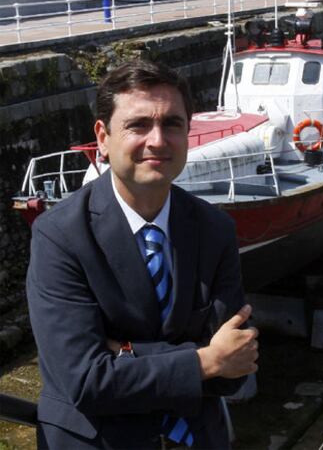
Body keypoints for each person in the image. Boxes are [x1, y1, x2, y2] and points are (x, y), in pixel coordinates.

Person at [26, 59, 259, 450]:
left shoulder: (214, 229)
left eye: (172, 124)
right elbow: (87, 381)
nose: (157, 140)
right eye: (138, 125)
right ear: (102, 137)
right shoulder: (60, 236)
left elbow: (235, 369)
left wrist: (126, 354)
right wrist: (203, 360)